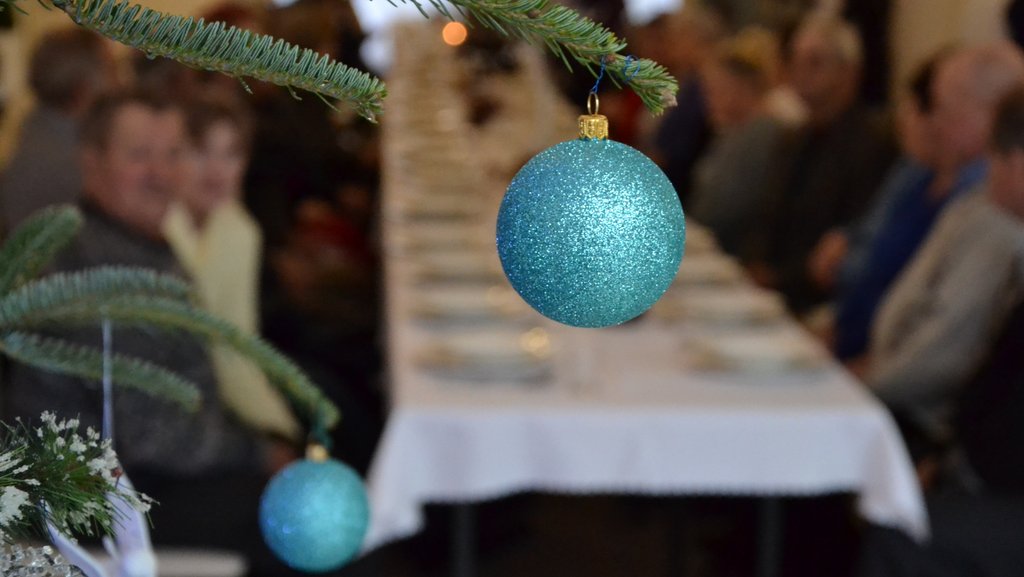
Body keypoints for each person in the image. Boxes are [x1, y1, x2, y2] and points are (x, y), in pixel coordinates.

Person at [2, 92, 296, 575]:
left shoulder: (134, 241)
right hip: (90, 502)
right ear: (91, 161)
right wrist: (259, 452)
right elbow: (151, 433)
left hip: (142, 473)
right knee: (296, 520)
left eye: (173, 154)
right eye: (139, 155)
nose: (161, 174)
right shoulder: (92, 271)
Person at [856, 87, 1024, 571]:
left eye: (996, 159)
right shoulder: (976, 210)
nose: (989, 172)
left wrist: (955, 469)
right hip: (984, 460)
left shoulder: (1001, 233)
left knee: (899, 532)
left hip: (1003, 481)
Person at [867, 60, 1024, 444]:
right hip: (914, 402)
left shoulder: (1001, 227)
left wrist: (869, 384)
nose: (934, 123)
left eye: (947, 111)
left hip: (926, 420)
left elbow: (951, 349)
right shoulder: (971, 201)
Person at [163, 95, 301, 442]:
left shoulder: (240, 232)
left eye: (231, 155)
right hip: (164, 407)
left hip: (221, 398)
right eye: (200, 152)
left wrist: (277, 427)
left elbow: (238, 345)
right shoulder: (156, 225)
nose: (216, 171)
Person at [746, 13, 895, 314]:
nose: (799, 73)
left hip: (818, 303)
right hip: (770, 292)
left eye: (814, 63)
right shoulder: (793, 138)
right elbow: (767, 217)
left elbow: (847, 239)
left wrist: (777, 279)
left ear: (848, 73)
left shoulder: (872, 146)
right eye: (795, 61)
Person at [0, 27, 117, 232]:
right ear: (82, 90)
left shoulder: (36, 130)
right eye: (111, 70)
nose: (119, 82)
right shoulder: (71, 161)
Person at [689, 27, 787, 256]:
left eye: (715, 91)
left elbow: (729, 209)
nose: (708, 102)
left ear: (741, 88)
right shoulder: (731, 133)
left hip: (731, 253)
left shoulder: (761, 133)